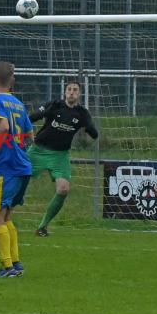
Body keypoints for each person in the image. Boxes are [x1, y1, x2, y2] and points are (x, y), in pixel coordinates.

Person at [29, 80, 98, 237]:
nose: (72, 92)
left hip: (60, 155)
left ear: (79, 94)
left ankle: (42, 227)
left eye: (75, 90)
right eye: (69, 89)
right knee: (18, 180)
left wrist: (89, 127)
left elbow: (95, 134)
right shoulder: (54, 104)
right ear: (65, 92)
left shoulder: (82, 113)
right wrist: (46, 113)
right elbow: (31, 118)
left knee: (63, 189)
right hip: (38, 150)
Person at [0, 61, 33, 278]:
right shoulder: (19, 105)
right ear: (12, 81)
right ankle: (16, 263)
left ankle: (7, 268)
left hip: (6, 167)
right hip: (22, 167)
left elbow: (3, 127)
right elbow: (30, 137)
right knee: (5, 216)